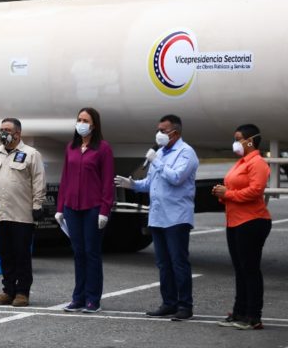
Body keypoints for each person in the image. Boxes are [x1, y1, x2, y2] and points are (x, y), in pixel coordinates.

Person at [114, 114, 198, 320]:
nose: (159, 134)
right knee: (163, 263)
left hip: (177, 217)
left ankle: (185, 306)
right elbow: (150, 183)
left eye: (163, 130)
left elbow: (176, 178)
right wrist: (132, 184)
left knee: (179, 262)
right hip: (158, 216)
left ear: (175, 132)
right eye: (158, 129)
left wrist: (157, 162)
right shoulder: (160, 152)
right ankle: (168, 303)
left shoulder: (186, 153)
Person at [212, 124, 271, 330]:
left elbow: (255, 191)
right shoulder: (240, 163)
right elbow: (234, 188)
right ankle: (239, 311)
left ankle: (253, 316)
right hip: (235, 221)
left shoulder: (258, 163)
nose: (235, 142)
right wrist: (222, 192)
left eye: (238, 138)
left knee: (250, 269)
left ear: (250, 140)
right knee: (240, 269)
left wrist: (227, 194)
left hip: (252, 221)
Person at [55, 107, 114, 313]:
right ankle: (78, 297)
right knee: (78, 253)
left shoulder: (103, 149)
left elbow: (108, 182)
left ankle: (93, 298)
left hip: (93, 207)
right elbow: (65, 179)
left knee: (92, 253)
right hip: (72, 207)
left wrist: (104, 210)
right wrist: (60, 207)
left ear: (94, 125)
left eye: (85, 120)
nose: (81, 123)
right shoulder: (71, 147)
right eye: (79, 119)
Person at [0, 117, 46, 307]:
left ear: (18, 133)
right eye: (1, 129)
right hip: (1, 214)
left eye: (7, 130)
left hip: (22, 215)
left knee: (21, 255)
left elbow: (38, 180)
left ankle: (22, 292)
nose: (3, 133)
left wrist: (38, 205)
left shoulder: (31, 154)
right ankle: (8, 290)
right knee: (4, 254)